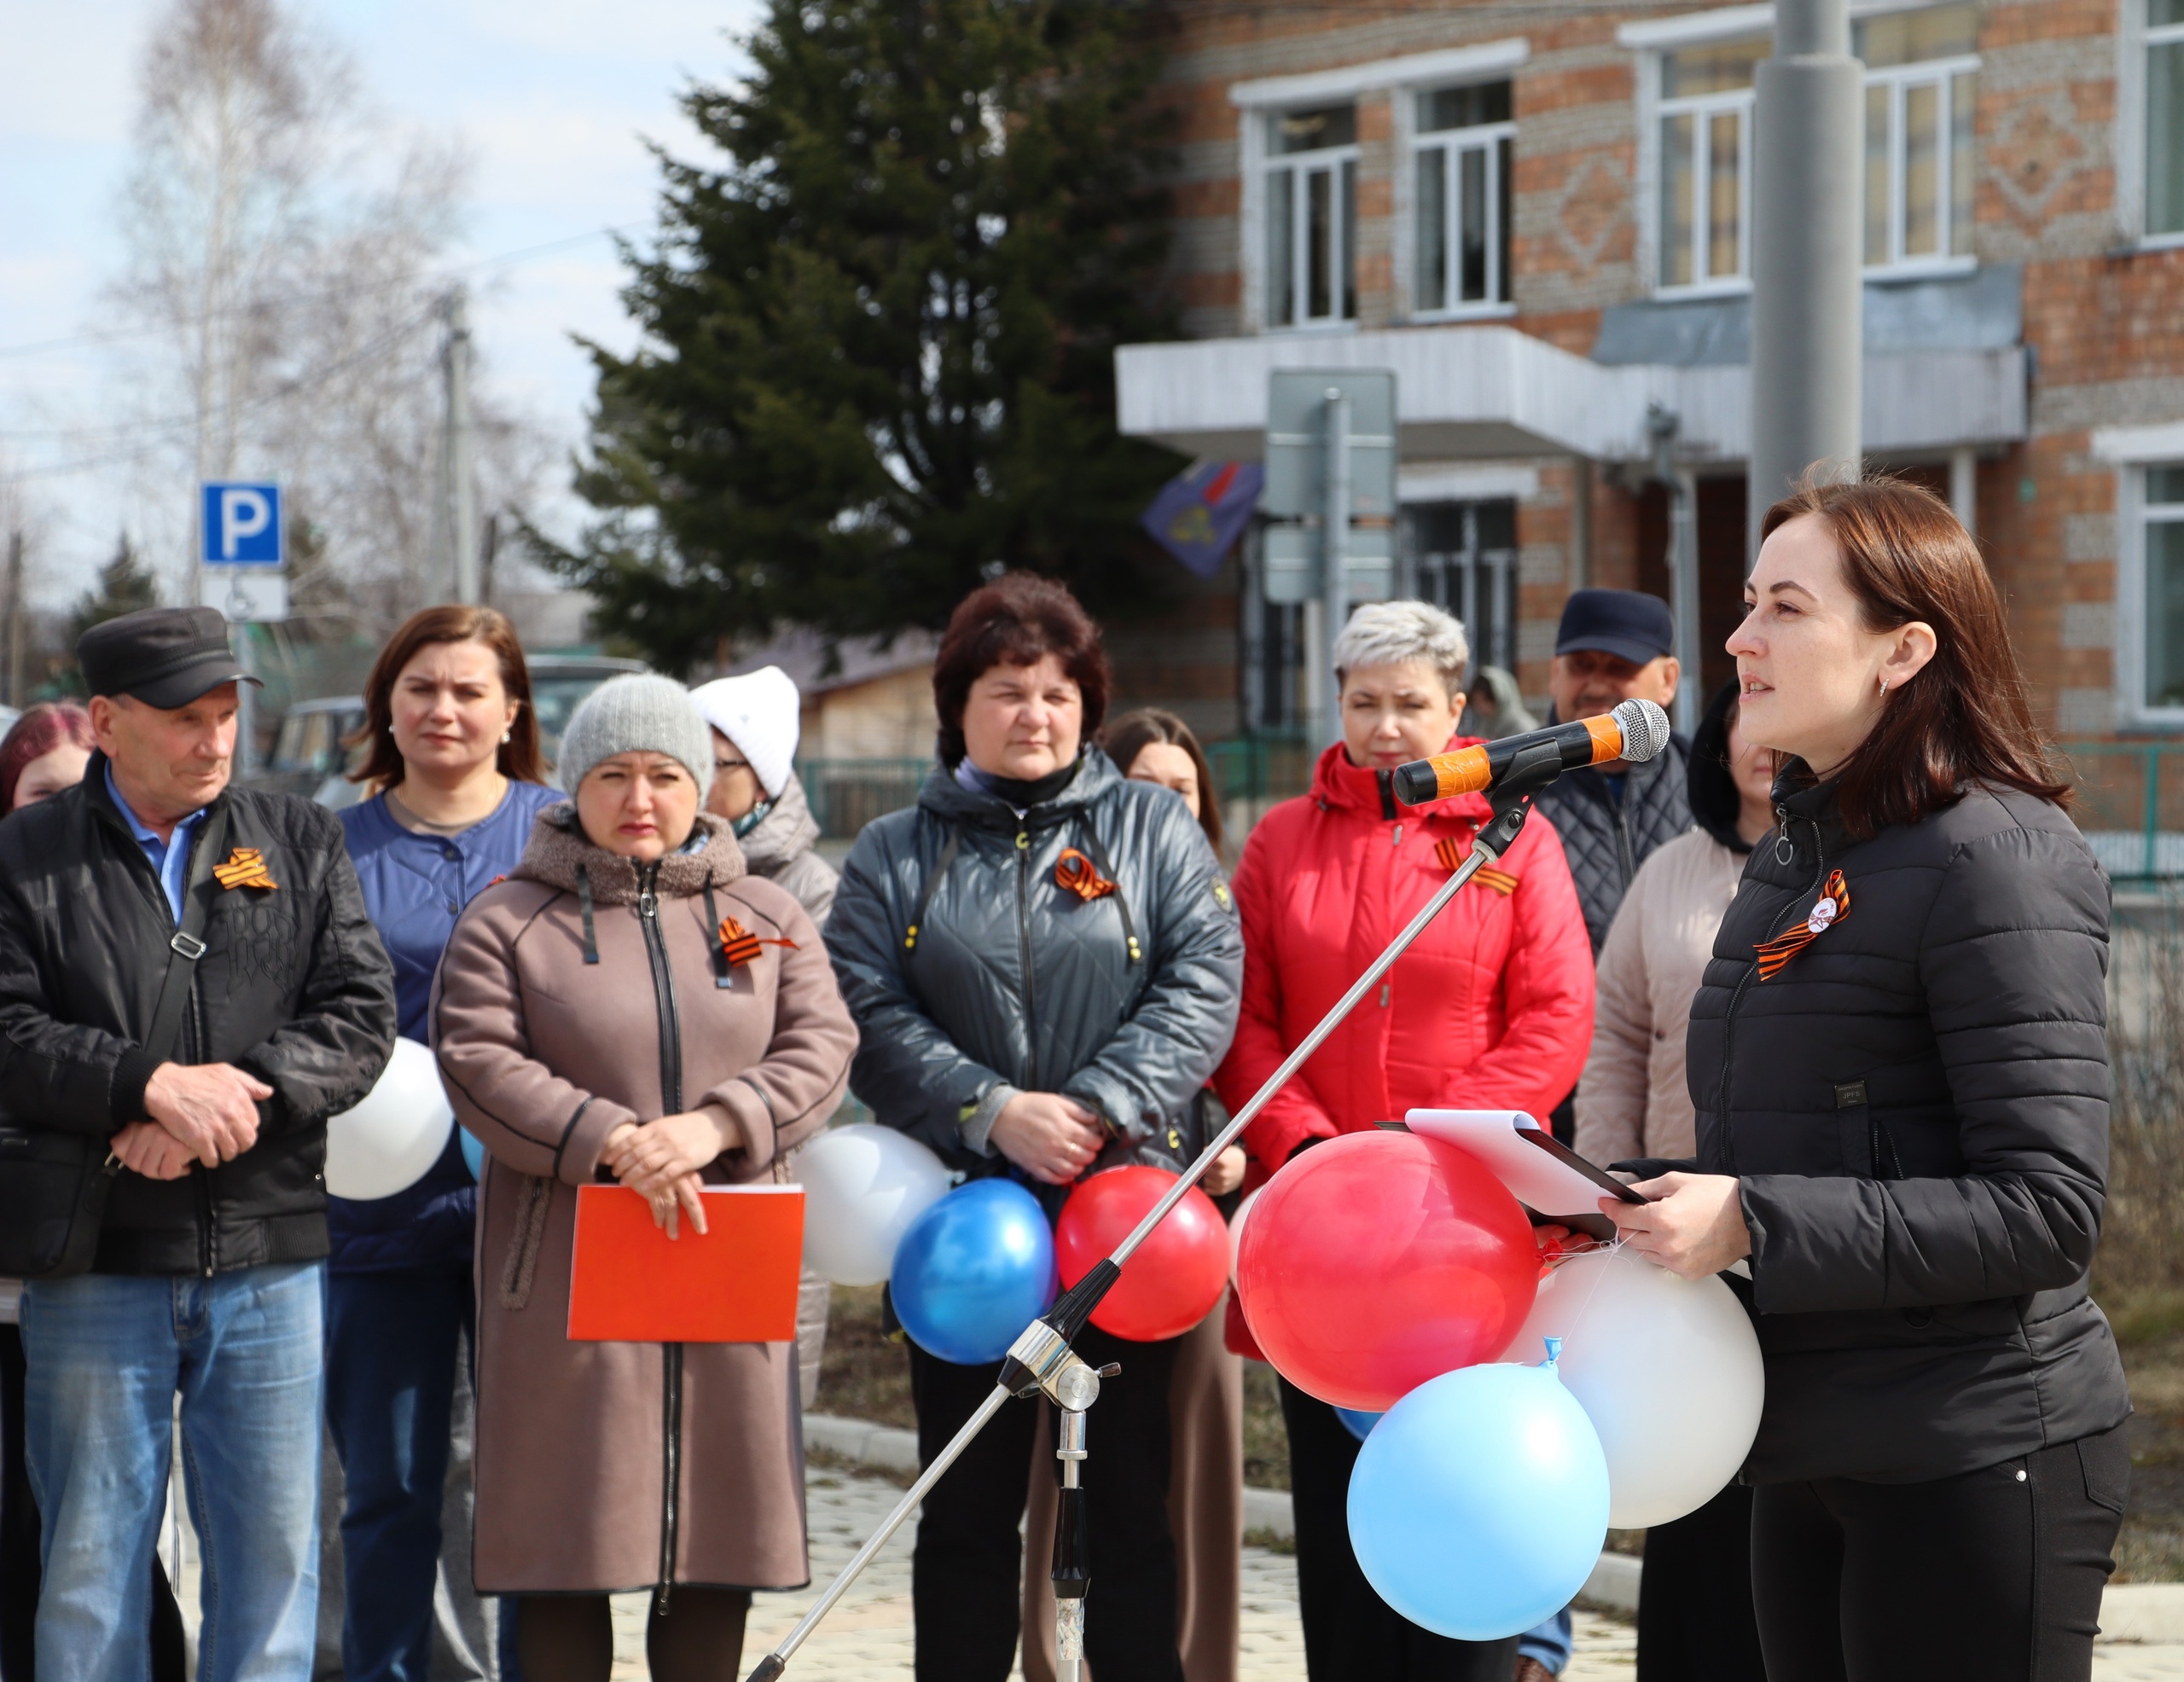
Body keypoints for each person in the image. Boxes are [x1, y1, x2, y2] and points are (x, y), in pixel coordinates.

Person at [1602, 478, 2131, 1682]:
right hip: (1809, 1443)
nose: (1739, 640)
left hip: (1975, 1448)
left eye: (1785, 608)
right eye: (1745, 604)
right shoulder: (1802, 851)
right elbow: (1807, 1146)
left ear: (1904, 648)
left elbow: (2048, 1210)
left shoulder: (1997, 858)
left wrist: (1748, 1219)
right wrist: (1622, 1197)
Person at [824, 573, 1244, 1682]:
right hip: (967, 1229)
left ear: (1089, 708)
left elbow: (1206, 979)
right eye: (1007, 690)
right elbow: (863, 1005)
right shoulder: (892, 853)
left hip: (1126, 1218)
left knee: (1131, 1511)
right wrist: (990, 1108)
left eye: (1058, 693)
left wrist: (1104, 1101)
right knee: (966, 1512)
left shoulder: (1152, 831)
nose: (1034, 715)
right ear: (957, 704)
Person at [0, 606, 398, 1682]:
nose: (214, 739)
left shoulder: (297, 839)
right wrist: (145, 1084)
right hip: (95, 1268)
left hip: (269, 1264)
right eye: (185, 717)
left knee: (272, 1577)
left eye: (225, 713)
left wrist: (232, 1106)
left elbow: (361, 1016)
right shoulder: (23, 853)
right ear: (106, 720)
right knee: (87, 1581)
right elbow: (7, 1026)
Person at [433, 674, 856, 1682]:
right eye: (614, 774)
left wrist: (717, 1126)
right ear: (574, 784)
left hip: (726, 1255)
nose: (640, 798)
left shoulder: (760, 911)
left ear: (702, 785)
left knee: (715, 1542)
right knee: (567, 1547)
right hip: (570, 1274)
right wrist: (615, 1139)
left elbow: (823, 1044)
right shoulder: (510, 920)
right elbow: (479, 1064)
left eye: (666, 774)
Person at [1214, 600, 1594, 1682]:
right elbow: (1247, 1021)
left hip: (1461, 1232)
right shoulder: (1281, 841)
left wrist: (1431, 1144)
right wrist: (1308, 1147)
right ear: (1334, 704)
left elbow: (1556, 1017)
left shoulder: (1511, 835)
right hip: (1320, 1237)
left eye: (1410, 704)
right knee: (1340, 1534)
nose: (1385, 726)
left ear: (1458, 711)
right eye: (1363, 702)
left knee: (1461, 1509)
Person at [329, 606, 563, 1682]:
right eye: (421, 687)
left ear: (512, 708)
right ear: (387, 701)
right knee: (389, 1487)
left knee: (536, 1493)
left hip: (543, 1215)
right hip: (382, 1218)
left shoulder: (567, 834)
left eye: (471, 690)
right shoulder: (331, 844)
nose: (444, 710)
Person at [1018, 705, 1246, 1682]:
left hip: (1189, 1229)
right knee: (1066, 1466)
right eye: (1139, 785)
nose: (1161, 804)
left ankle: (1190, 1660)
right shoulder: (1077, 900)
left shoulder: (1224, 905)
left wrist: (1238, 1141)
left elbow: (1251, 1037)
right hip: (1079, 1209)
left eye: (1180, 790)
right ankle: (1052, 1655)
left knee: (1175, 1470)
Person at [1571, 677, 1772, 1682]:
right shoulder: (1667, 875)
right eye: (1743, 714)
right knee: (1690, 1486)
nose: (1764, 739)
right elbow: (1611, 1039)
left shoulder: (1847, 869)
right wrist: (1611, 1183)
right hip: (1668, 1227)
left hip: (1787, 1229)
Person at [690, 664, 839, 1412]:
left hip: (761, 1174)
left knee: (756, 1427)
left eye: (715, 763)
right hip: (656, 1174)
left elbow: (814, 1043)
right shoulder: (644, 867)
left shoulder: (805, 888)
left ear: (764, 780)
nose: (688, 778)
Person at [0, 705, 111, 1682]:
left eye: (85, 794)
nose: (63, 815)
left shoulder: (132, 915)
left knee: (93, 1538)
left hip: (95, 1278)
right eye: (42, 794)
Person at [1531, 589, 1689, 955]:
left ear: (1668, 680)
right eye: (1581, 666)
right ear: (1556, 674)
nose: (1598, 685)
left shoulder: (1711, 781)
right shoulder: (1515, 791)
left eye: (1620, 667)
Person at [1462, 664, 1538, 740]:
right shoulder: (1486, 725)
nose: (1482, 707)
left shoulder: (1523, 727)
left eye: (1487, 700)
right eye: (1477, 702)